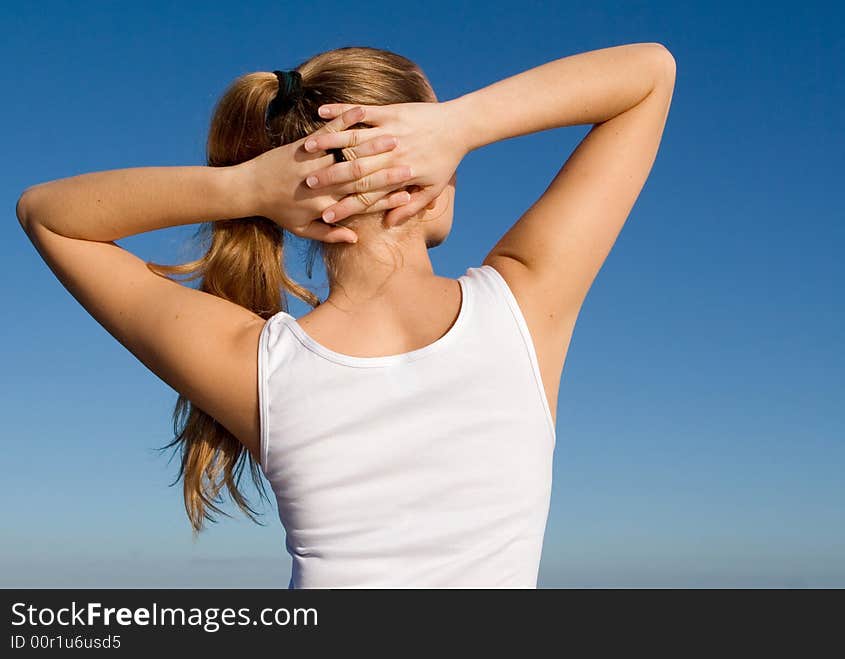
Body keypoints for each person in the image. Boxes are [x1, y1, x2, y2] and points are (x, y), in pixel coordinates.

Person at [16, 43, 676, 588]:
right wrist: (465, 125)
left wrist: (243, 188)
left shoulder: (259, 367)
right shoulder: (524, 308)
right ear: (426, 165)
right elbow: (649, 75)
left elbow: (47, 215)